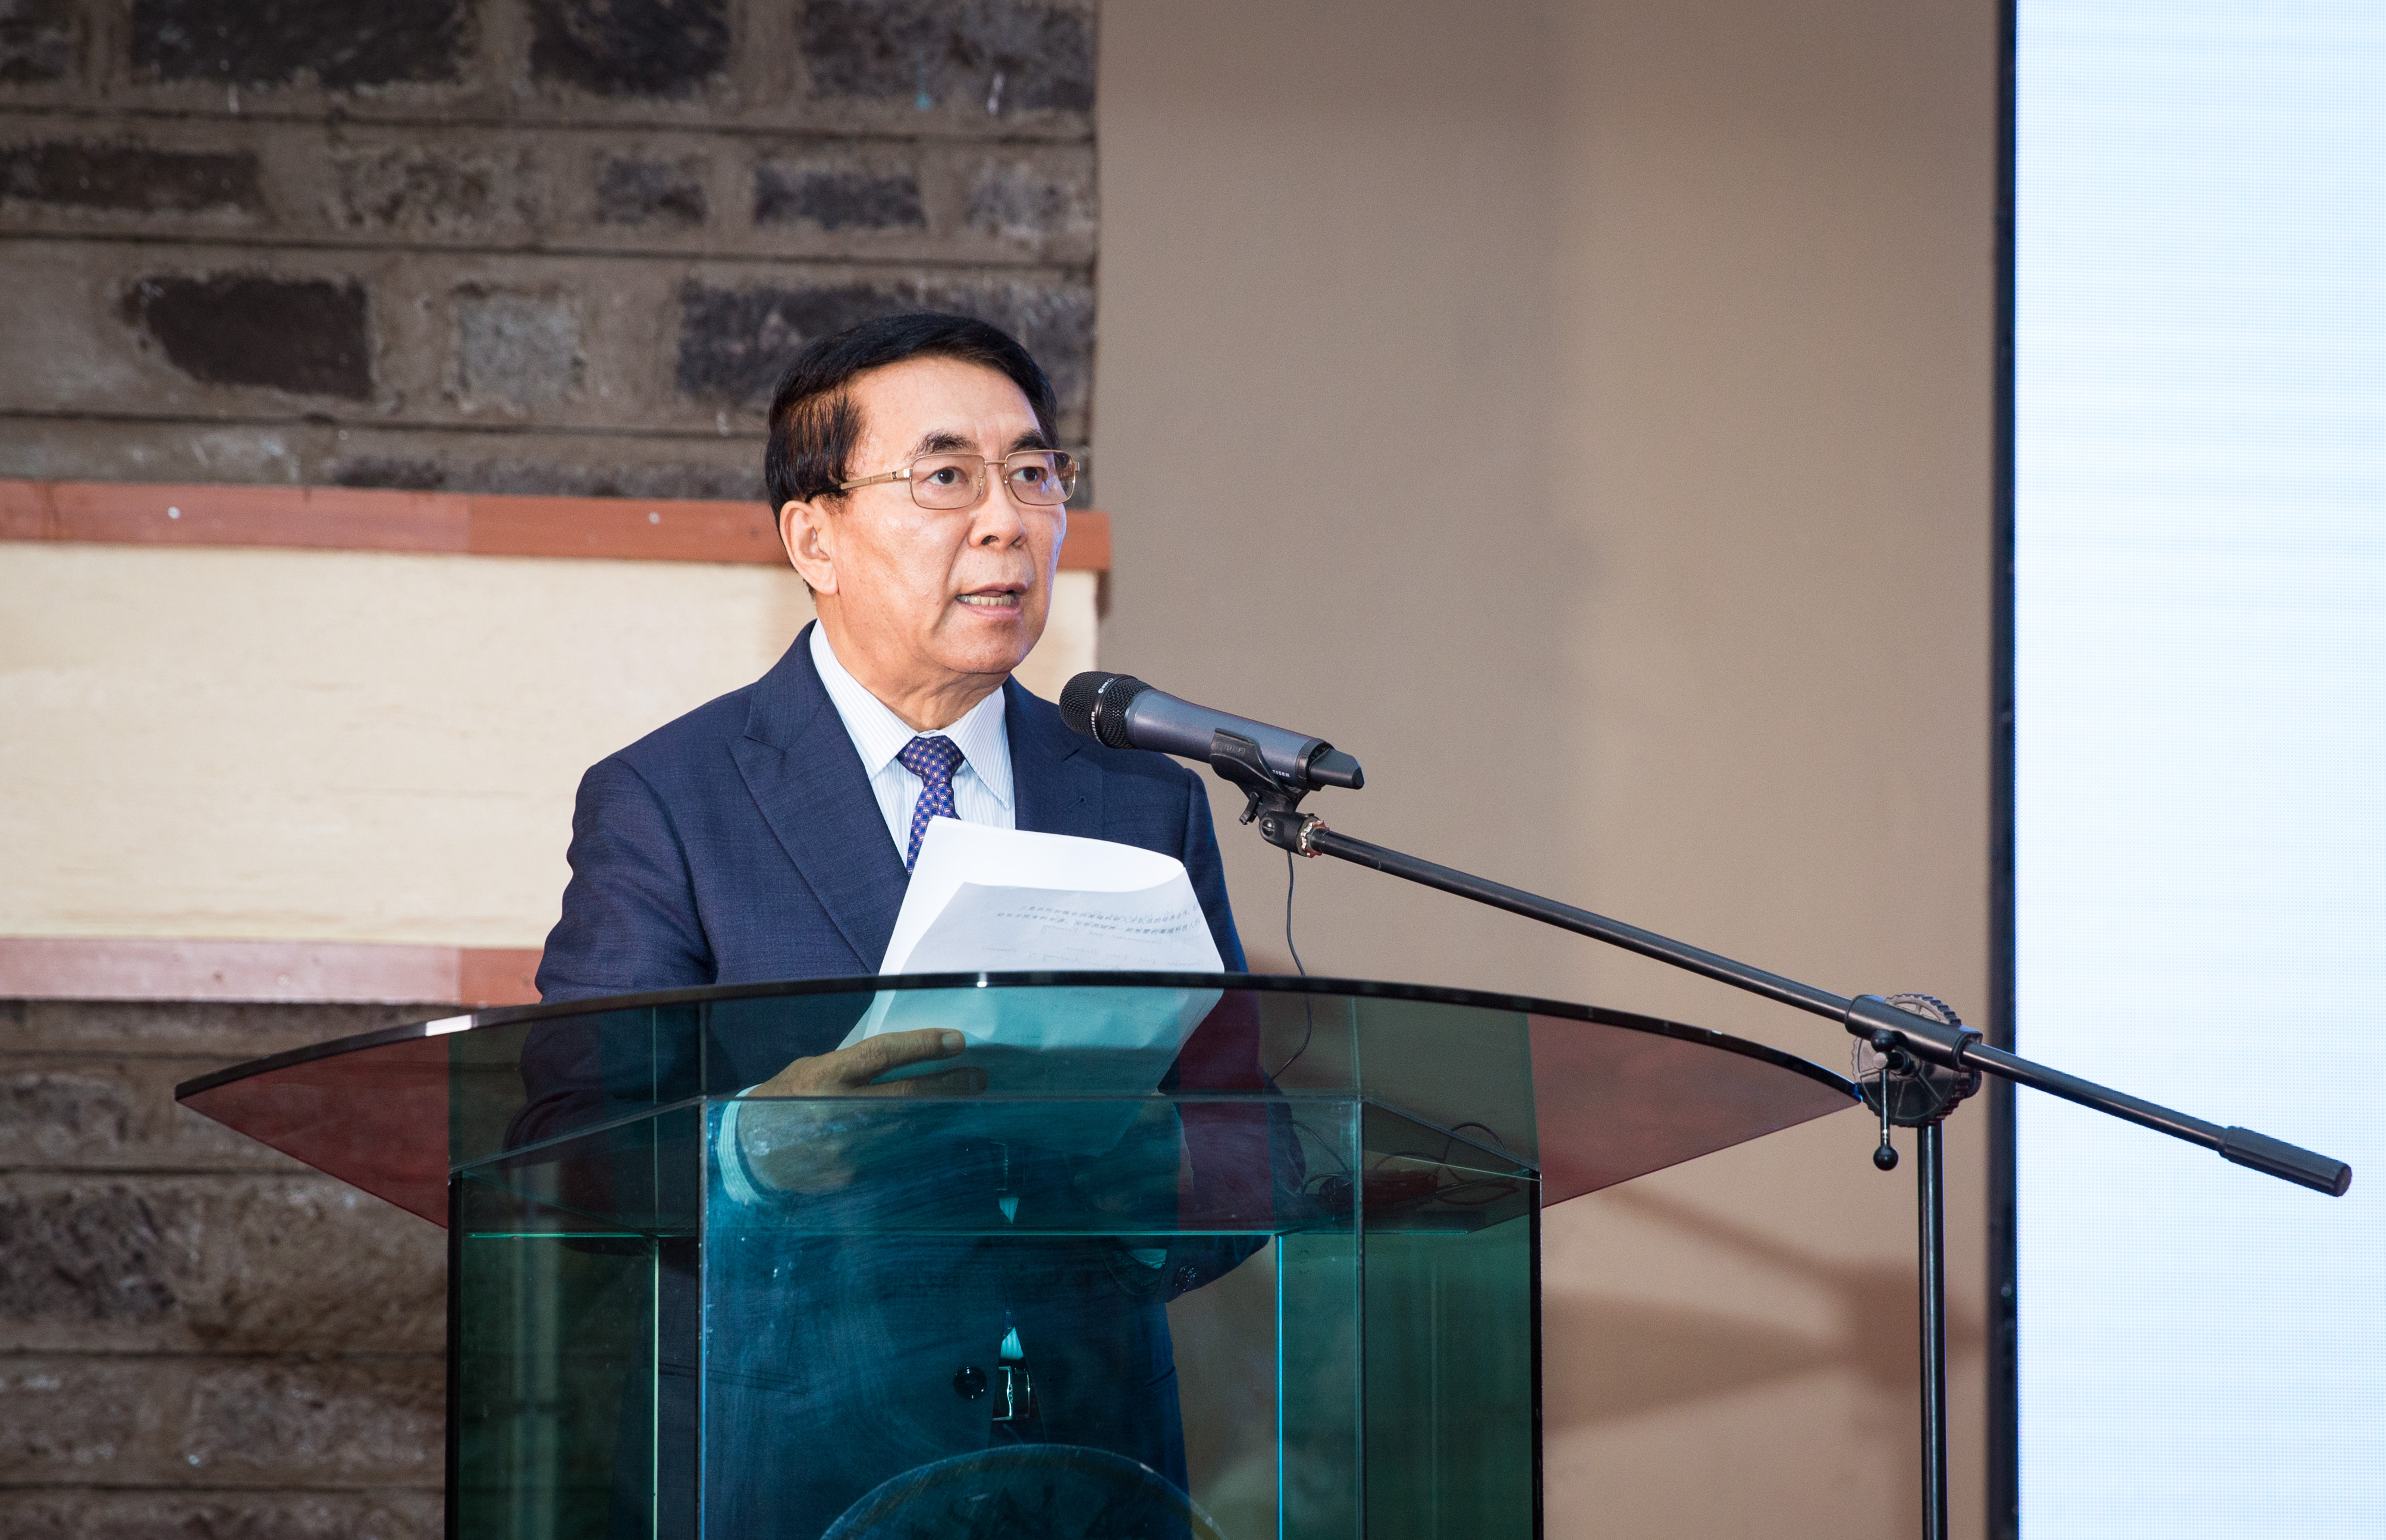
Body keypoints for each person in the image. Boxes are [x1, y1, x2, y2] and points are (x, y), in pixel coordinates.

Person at [513, 313, 1269, 1538]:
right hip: (785, 1467)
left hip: (1092, 1468)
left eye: (1033, 473)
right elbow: (566, 1147)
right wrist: (758, 1149)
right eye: (946, 477)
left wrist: (1149, 1163)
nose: (1006, 521)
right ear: (813, 537)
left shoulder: (1142, 799)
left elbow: (1251, 1139)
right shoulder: (671, 799)